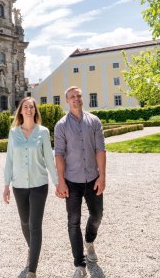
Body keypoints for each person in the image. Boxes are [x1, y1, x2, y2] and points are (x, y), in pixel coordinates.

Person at [54, 86, 106, 278]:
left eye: (78, 96)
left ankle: (89, 241)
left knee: (97, 215)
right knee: (73, 222)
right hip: (72, 180)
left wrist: (102, 176)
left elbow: (100, 150)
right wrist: (61, 181)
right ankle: (79, 265)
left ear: (82, 98)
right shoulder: (61, 125)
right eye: (72, 97)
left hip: (93, 177)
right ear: (67, 101)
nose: (76, 99)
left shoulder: (94, 121)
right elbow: (59, 154)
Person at [3, 97, 57, 278]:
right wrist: (6, 186)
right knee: (24, 222)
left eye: (31, 107)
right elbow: (9, 160)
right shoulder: (13, 133)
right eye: (25, 107)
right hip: (19, 185)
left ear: (35, 111)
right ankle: (32, 250)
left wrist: (58, 183)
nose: (28, 110)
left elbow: (49, 159)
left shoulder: (43, 132)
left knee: (35, 225)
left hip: (39, 184)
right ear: (20, 110)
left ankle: (32, 269)